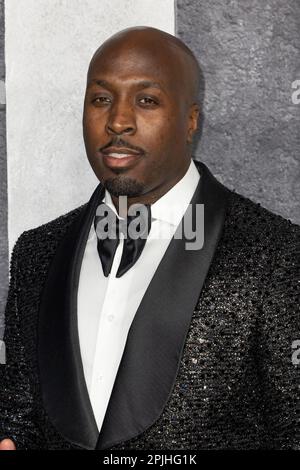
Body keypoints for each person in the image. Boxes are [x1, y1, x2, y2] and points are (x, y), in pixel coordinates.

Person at [0, 26, 299, 450]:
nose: (118, 121)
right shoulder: (37, 252)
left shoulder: (275, 255)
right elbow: (20, 415)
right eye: (101, 99)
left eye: (147, 100)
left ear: (191, 120)